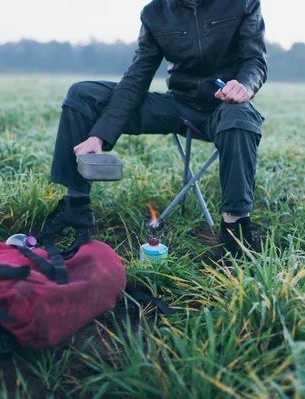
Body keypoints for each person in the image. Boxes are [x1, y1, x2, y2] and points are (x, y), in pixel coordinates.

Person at [46, 0, 267, 257]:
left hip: (225, 108)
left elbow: (255, 60)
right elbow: (137, 77)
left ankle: (235, 233)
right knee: (83, 94)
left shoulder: (243, 3)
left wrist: (244, 86)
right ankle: (76, 206)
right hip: (177, 106)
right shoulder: (155, 12)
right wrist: (98, 136)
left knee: (239, 116)